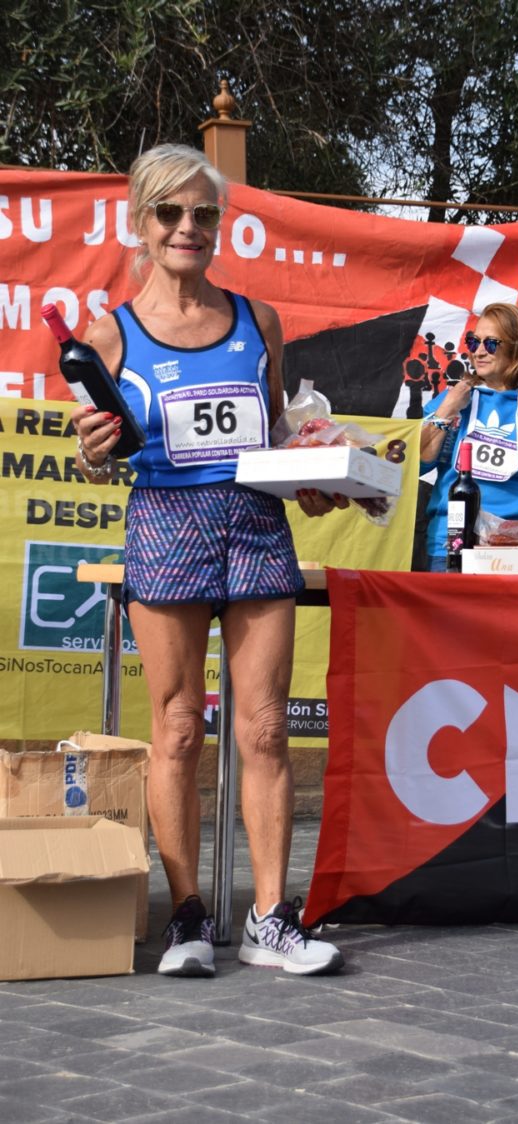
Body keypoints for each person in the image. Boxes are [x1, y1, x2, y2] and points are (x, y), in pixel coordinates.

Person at [72, 143, 345, 978]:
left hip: (256, 523)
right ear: (140, 224)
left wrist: (312, 475)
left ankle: (270, 916)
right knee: (181, 727)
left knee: (264, 727)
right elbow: (97, 452)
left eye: (204, 214)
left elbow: (271, 434)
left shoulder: (259, 322)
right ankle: (187, 917)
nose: (188, 228)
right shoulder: (107, 335)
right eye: (170, 213)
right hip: (166, 524)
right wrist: (91, 450)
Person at [419, 302, 518, 570]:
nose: (478, 351)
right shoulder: (452, 401)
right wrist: (446, 411)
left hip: (517, 547)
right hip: (449, 543)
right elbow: (418, 463)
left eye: (491, 343)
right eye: (473, 341)